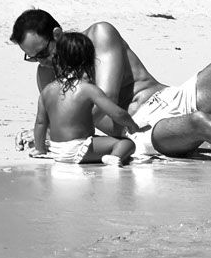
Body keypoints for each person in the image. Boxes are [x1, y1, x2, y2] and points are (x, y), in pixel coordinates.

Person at [9, 8, 211, 168]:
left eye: (41, 52)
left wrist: (55, 129)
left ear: (57, 35)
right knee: (200, 122)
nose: (40, 61)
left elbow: (107, 98)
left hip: (170, 97)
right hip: (143, 128)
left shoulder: (99, 35)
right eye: (30, 57)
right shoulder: (45, 76)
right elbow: (71, 118)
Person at [35, 32, 141, 166]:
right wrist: (132, 126)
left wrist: (40, 149)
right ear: (88, 62)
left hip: (57, 151)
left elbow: (40, 123)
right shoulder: (87, 89)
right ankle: (114, 157)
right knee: (127, 144)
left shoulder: (47, 91)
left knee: (97, 140)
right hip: (79, 148)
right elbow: (117, 113)